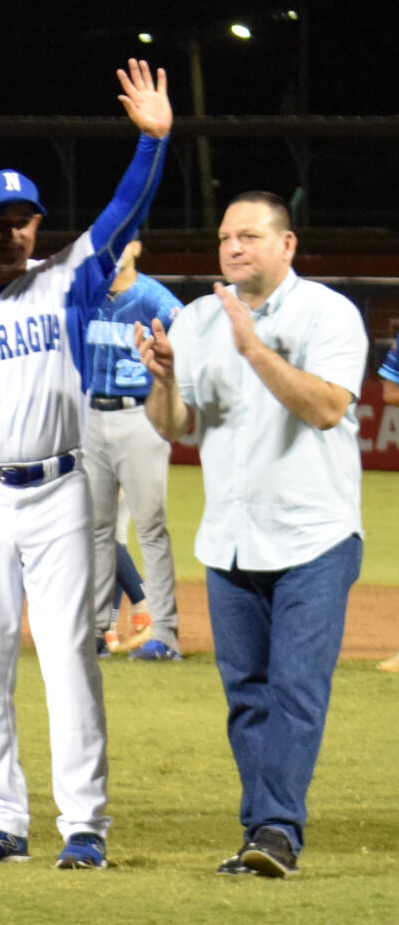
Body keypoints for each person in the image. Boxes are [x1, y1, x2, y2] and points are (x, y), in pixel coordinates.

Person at [0, 60, 171, 869]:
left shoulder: (66, 283)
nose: (13, 230)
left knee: (69, 658)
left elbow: (124, 207)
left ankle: (84, 825)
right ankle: (1, 820)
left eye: (25, 218)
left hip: (61, 489)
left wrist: (153, 142)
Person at [138, 192, 367, 879]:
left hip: (314, 535)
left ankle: (275, 829)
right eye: (225, 238)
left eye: (249, 236)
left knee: (296, 688)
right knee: (247, 694)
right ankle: (262, 827)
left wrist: (254, 348)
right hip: (230, 536)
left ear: (287, 244)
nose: (234, 248)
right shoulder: (199, 317)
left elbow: (326, 408)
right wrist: (166, 378)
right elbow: (174, 425)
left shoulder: (329, 313)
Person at [82, 237, 185, 659]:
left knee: (150, 528)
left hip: (140, 415)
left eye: (119, 241)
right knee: (94, 531)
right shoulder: (84, 295)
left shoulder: (158, 301)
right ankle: (93, 633)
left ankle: (165, 634)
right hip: (89, 415)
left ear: (137, 247)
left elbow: (187, 356)